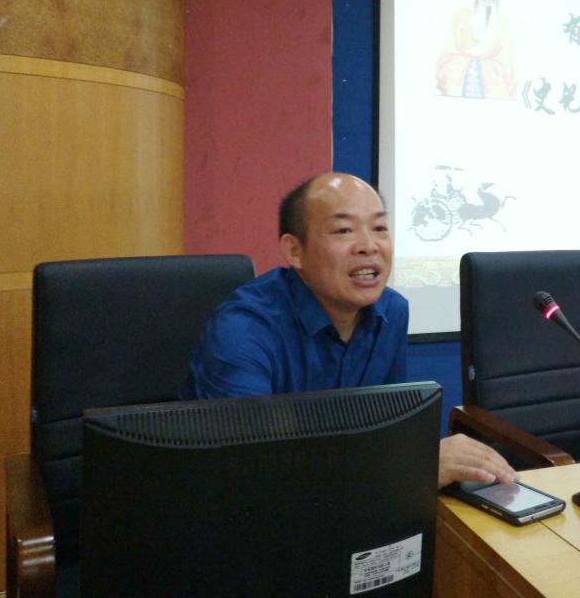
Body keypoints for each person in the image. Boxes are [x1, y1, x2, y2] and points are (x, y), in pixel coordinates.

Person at [181, 171, 516, 489]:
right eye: (343, 231)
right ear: (294, 251)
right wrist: (415, 463)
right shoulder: (243, 330)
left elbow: (390, 431)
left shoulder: (392, 311)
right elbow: (253, 467)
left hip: (353, 497)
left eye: (380, 228)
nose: (369, 246)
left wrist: (416, 461)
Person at [435, 0, 516, 99]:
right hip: (461, 83)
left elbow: (508, 64)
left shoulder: (503, 22)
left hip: (493, 89)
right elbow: (448, 54)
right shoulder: (461, 16)